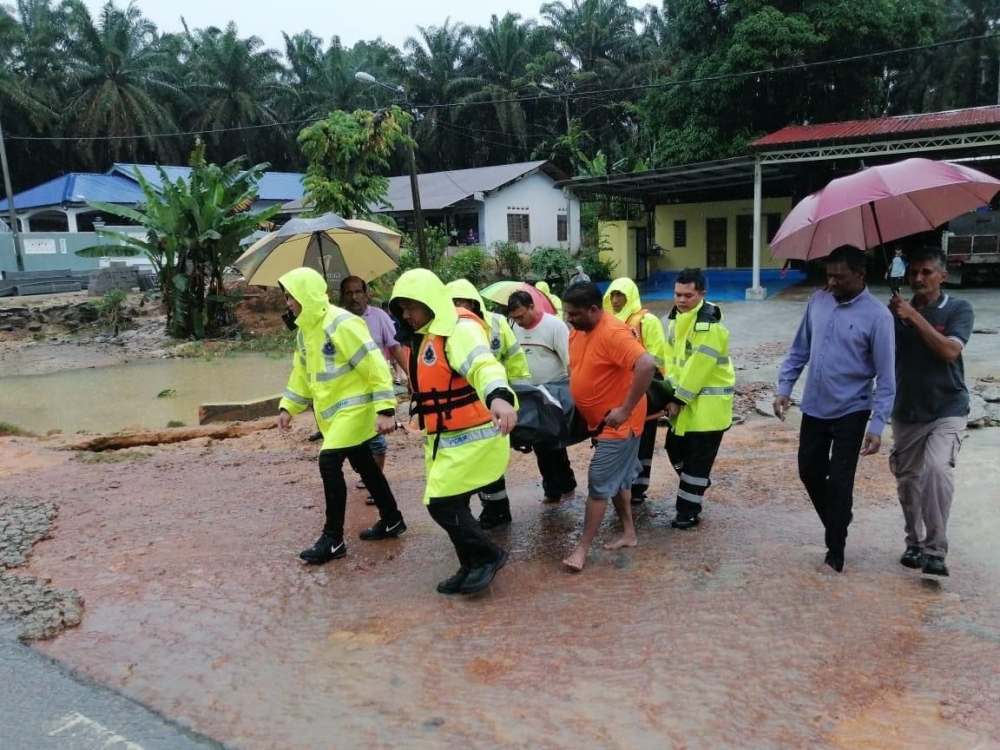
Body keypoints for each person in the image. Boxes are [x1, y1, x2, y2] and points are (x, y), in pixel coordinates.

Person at [390, 269, 518, 595]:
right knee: (452, 503)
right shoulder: (425, 334)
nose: (407, 315)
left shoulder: (459, 331)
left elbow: (483, 365)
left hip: (472, 436)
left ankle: (489, 556)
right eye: (402, 308)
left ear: (431, 303)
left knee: (442, 504)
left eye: (412, 307)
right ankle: (470, 564)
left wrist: (500, 397)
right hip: (444, 439)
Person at [774, 245, 896, 573]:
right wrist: (785, 388)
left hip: (852, 409)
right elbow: (799, 349)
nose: (833, 282)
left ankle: (835, 551)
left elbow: (886, 376)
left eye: (841, 277)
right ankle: (839, 517)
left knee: (841, 481)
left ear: (861, 275)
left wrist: (877, 424)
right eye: (829, 275)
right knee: (809, 471)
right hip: (815, 404)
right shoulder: (818, 301)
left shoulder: (878, 316)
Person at [276, 267, 406, 565]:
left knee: (329, 461)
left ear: (305, 295)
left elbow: (374, 365)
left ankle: (333, 539)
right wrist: (288, 407)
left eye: (290, 297)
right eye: (286, 297)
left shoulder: (341, 323)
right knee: (364, 463)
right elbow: (301, 374)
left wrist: (386, 408)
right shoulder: (306, 332)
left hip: (356, 411)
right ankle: (392, 519)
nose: (287, 303)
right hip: (333, 416)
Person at [888, 247, 974, 577]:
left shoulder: (957, 308)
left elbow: (950, 351)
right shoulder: (896, 312)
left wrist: (913, 316)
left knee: (938, 470)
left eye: (926, 272)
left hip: (947, 406)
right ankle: (914, 542)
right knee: (908, 482)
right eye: (913, 273)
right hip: (906, 408)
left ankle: (935, 551)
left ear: (943, 276)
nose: (918, 278)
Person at [561, 282, 657, 572]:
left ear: (594, 309)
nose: (569, 319)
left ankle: (581, 550)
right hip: (599, 423)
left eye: (574, 314)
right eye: (567, 313)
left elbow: (647, 364)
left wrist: (625, 409)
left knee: (599, 482)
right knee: (618, 479)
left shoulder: (613, 332)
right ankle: (629, 533)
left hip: (620, 425)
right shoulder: (580, 330)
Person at [446, 279, 532, 529]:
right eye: (452, 303)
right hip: (466, 405)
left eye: (460, 302)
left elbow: (515, 359)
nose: (457, 307)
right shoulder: (447, 329)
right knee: (474, 459)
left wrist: (520, 396)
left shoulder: (497, 322)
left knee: (490, 459)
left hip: (497, 400)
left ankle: (497, 511)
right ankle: (489, 509)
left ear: (473, 302)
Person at [662, 268, 736, 528]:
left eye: (688, 295)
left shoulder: (708, 325)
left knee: (695, 462)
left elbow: (698, 369)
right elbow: (671, 362)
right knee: (674, 448)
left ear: (702, 294)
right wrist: (668, 392)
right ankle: (698, 482)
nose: (681, 300)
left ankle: (687, 512)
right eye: (678, 294)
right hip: (686, 404)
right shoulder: (676, 321)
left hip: (707, 409)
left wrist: (678, 399)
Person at [507, 289, 577, 503]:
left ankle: (565, 485)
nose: (518, 322)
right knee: (538, 443)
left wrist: (574, 393)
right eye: (514, 318)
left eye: (521, 316)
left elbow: (570, 362)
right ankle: (552, 488)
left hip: (553, 394)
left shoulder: (554, 326)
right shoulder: (513, 328)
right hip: (529, 394)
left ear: (531, 307)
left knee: (554, 441)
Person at [603, 277, 667, 504]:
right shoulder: (607, 321)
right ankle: (620, 485)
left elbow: (658, 357)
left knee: (644, 437)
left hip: (642, 391)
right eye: (612, 295)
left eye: (620, 295)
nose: (615, 300)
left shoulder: (646, 321)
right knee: (618, 438)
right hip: (615, 393)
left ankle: (638, 487)